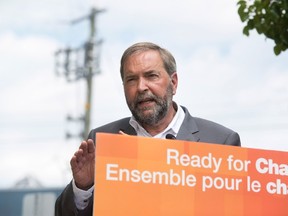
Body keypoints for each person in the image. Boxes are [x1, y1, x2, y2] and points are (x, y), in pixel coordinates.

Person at [55, 42, 241, 216]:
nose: (141, 87)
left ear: (173, 83)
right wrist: (83, 188)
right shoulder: (101, 139)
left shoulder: (221, 142)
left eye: (151, 76)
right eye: (131, 79)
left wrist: (148, 160)